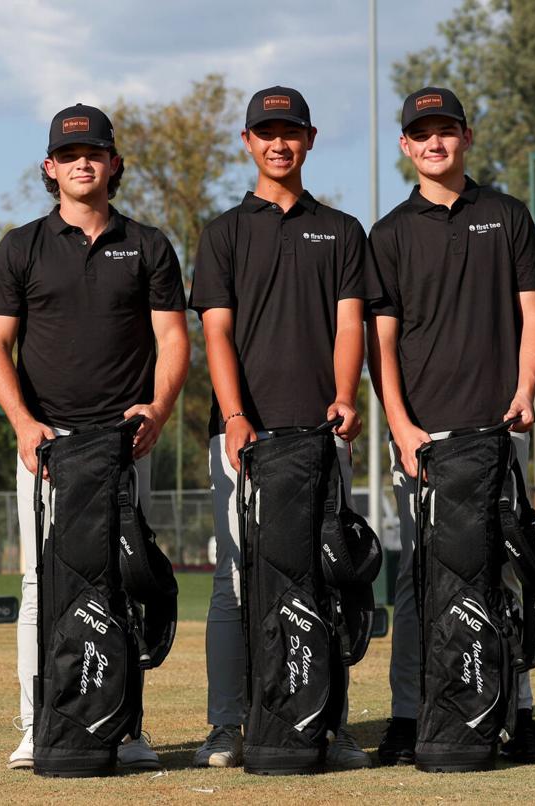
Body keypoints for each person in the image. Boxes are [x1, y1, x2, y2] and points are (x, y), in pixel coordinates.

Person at [0, 103, 189, 772]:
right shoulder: (20, 247)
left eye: (93, 152)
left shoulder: (148, 245)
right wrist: (21, 423)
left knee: (123, 581)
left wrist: (157, 409)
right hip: (47, 448)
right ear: (50, 167)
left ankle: (126, 728)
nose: (81, 162)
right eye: (69, 154)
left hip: (122, 445)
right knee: (41, 583)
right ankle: (40, 725)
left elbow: (173, 339)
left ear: (114, 163)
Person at [367, 86, 535, 765]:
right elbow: (380, 344)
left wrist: (525, 388)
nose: (436, 143)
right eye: (423, 134)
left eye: (447, 131)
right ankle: (409, 715)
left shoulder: (505, 215)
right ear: (406, 147)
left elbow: (533, 316)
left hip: (496, 432)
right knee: (419, 578)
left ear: (466, 138)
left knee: (506, 574)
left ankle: (518, 713)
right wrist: (400, 425)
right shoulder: (387, 234)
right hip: (422, 440)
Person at [189, 86, 373, 771]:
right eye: (266, 133)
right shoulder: (223, 232)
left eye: (290, 132)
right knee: (236, 578)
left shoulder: (343, 231)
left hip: (321, 434)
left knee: (328, 576)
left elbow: (350, 322)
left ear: (311, 139)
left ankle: (332, 725)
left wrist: (346, 397)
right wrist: (236, 417)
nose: (279, 143)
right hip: (246, 438)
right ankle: (227, 725)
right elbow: (216, 332)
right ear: (247, 143)